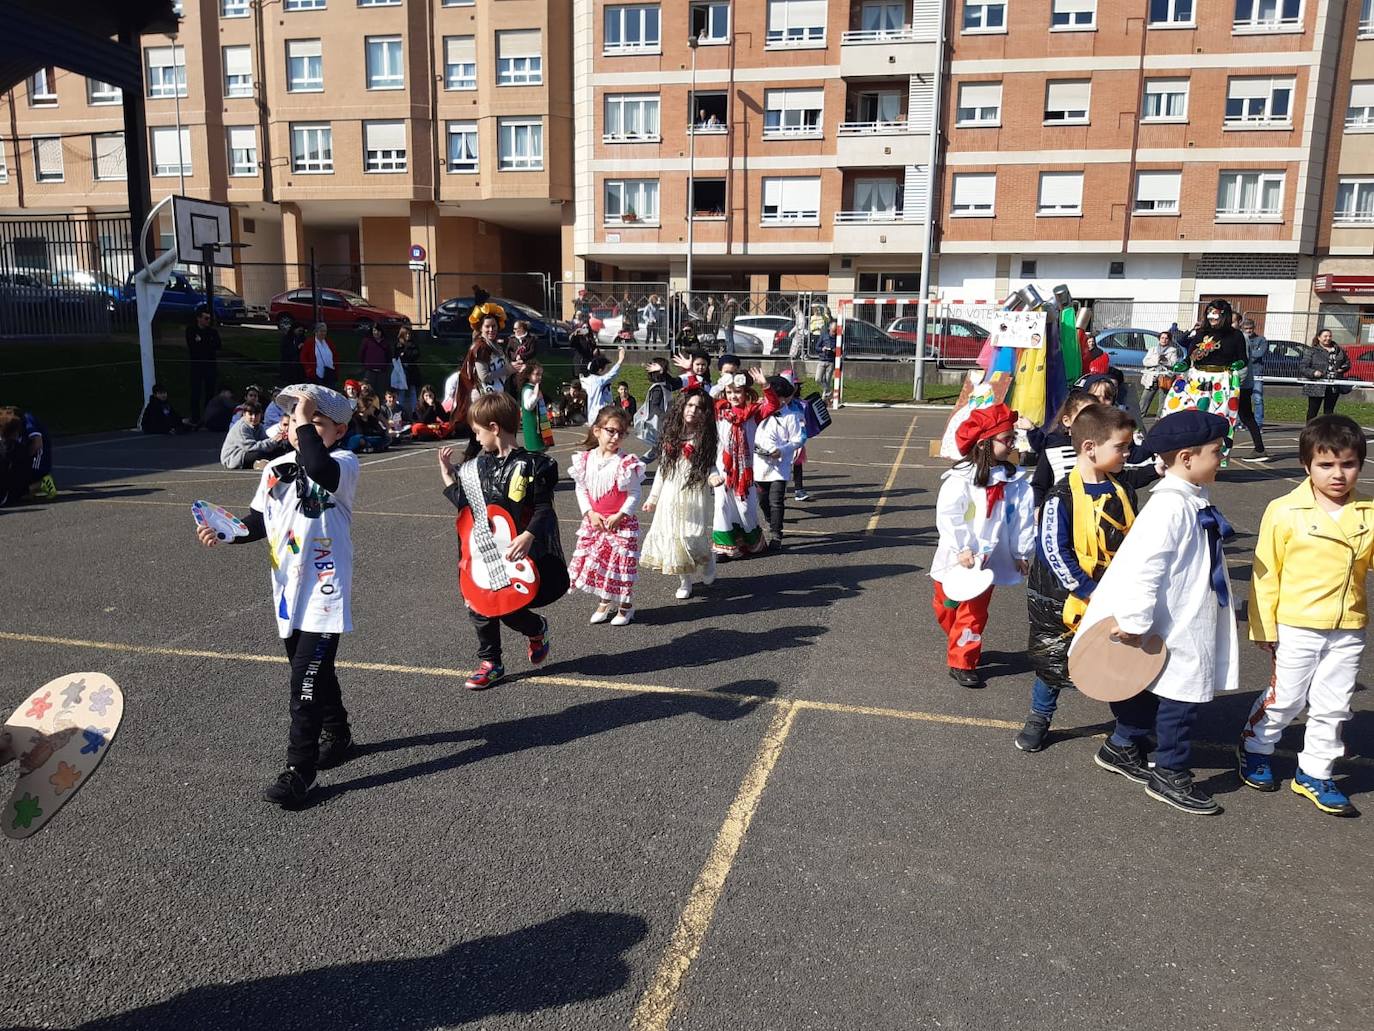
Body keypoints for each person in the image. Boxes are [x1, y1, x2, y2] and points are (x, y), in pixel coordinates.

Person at [194, 385, 360, 808]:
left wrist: (304, 421)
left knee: (302, 682)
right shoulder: (277, 467)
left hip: (324, 589)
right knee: (314, 672)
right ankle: (337, 733)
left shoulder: (342, 462)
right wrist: (225, 530)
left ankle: (299, 771)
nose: (295, 426)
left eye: (311, 422)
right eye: (289, 419)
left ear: (338, 431)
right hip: (288, 590)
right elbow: (259, 521)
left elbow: (319, 469)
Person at [1071, 410, 1238, 816]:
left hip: (1179, 610)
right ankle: (1170, 773)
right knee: (1182, 696)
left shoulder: (1189, 497)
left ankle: (1121, 746)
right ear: (1186, 458)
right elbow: (1145, 568)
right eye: (1216, 452)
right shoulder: (1170, 509)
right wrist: (1135, 622)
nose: (1221, 459)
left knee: (1149, 684)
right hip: (1172, 620)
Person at [1238, 415, 1371, 816]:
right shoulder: (1284, 510)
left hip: (1348, 625)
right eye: (1326, 465)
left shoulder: (1366, 512)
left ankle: (1315, 771)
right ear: (1306, 465)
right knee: (1287, 697)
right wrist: (1263, 625)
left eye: (1347, 464)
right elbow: (1265, 574)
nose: (1337, 474)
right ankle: (1255, 746)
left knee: (1334, 703)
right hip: (1296, 623)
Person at [1017, 404, 1140, 752]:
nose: (1128, 453)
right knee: (1052, 659)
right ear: (1090, 448)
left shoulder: (1123, 492)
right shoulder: (1062, 496)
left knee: (1119, 659)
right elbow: (1054, 551)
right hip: (1061, 599)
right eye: (1121, 447)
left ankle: (1128, 729)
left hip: (1110, 593)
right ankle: (1039, 718)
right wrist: (1087, 589)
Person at [439, 392, 564, 690]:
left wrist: (528, 534)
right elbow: (465, 506)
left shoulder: (536, 465)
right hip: (483, 551)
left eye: (479, 432)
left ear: (494, 427)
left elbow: (544, 508)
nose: (477, 439)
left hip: (518, 553)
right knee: (479, 605)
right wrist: (447, 477)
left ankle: (536, 628)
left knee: (508, 609)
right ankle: (491, 662)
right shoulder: (475, 468)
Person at [932, 404, 1036, 689]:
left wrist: (1021, 553)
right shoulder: (961, 479)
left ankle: (963, 660)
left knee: (973, 613)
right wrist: (961, 547)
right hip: (955, 558)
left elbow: (1022, 520)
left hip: (987, 560)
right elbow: (950, 514)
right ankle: (961, 638)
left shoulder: (1016, 483)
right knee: (946, 606)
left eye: (1013, 438)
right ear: (985, 443)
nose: (1013, 444)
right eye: (1007, 439)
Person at [568, 406, 646, 626]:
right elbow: (581, 489)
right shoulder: (585, 460)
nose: (615, 437)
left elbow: (634, 492)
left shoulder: (625, 463)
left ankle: (625, 605)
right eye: (611, 431)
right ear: (597, 431)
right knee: (599, 563)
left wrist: (621, 515)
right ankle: (605, 600)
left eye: (621, 433)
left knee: (620, 566)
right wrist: (589, 512)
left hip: (620, 524)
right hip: (596, 522)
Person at [641, 389, 722, 599]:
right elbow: (663, 469)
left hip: (694, 491)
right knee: (674, 538)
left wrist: (713, 476)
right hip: (671, 492)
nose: (693, 410)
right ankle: (685, 581)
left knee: (692, 536)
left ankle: (708, 560)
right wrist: (652, 498)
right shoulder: (671, 433)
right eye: (689, 405)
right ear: (682, 407)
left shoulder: (706, 436)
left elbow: (710, 464)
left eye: (698, 407)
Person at [712, 367, 780, 559]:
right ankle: (723, 548)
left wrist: (764, 385)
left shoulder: (753, 413)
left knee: (745, 508)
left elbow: (773, 405)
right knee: (722, 506)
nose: (734, 396)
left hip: (745, 470)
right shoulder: (719, 411)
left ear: (745, 392)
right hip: (723, 467)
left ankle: (752, 543)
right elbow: (702, 398)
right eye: (730, 392)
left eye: (738, 392)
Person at [754, 375, 806, 550]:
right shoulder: (759, 412)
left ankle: (776, 533)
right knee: (762, 499)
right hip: (759, 464)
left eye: (784, 398)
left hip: (779, 466)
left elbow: (798, 439)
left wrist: (782, 450)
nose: (781, 401)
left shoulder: (790, 417)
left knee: (776, 500)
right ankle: (770, 520)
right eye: (778, 398)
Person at [449, 310, 512, 424]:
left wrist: (513, 368)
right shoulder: (481, 347)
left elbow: (502, 370)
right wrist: (507, 370)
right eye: (487, 326)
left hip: (494, 394)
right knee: (483, 434)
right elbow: (484, 376)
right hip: (482, 396)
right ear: (481, 328)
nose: (491, 330)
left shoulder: (495, 345)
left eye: (494, 326)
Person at [0, 406, 56, 505]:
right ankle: (29, 486)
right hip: (24, 454)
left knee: (23, 481)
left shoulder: (28, 420)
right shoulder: (12, 435)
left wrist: (25, 462)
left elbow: (38, 444)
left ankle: (41, 482)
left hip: (38, 461)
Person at [1301, 328, 1352, 422]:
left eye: (1330, 336)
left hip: (1333, 385)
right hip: (1316, 385)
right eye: (1325, 336)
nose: (1328, 338)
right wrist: (1314, 373)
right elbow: (1303, 367)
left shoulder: (1339, 350)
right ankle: (1310, 431)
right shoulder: (1312, 351)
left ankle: (1328, 433)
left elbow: (1347, 363)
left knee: (1329, 412)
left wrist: (1342, 368)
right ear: (1319, 338)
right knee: (1313, 411)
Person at [220, 402, 289, 470]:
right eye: (250, 414)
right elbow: (250, 447)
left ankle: (261, 463)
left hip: (249, 452)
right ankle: (266, 463)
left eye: (256, 414)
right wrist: (273, 441)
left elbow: (264, 441)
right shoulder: (241, 427)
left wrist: (277, 441)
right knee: (259, 454)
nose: (254, 417)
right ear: (244, 414)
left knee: (278, 449)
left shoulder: (259, 426)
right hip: (234, 457)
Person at [185, 307, 221, 425]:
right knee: (195, 391)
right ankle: (195, 417)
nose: (208, 321)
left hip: (210, 365)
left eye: (209, 318)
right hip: (197, 366)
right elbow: (193, 347)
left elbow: (217, 345)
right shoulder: (191, 330)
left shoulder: (212, 332)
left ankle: (208, 417)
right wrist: (206, 343)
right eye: (205, 318)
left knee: (210, 392)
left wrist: (202, 341)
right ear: (199, 318)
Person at [1138, 330, 1183, 421]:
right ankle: (1140, 414)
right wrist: (1156, 361)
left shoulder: (1173, 351)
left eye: (1166, 338)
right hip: (1153, 376)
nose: (1164, 340)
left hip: (1165, 377)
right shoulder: (1152, 349)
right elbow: (1145, 361)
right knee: (1145, 397)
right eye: (1162, 338)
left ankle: (1159, 417)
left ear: (1169, 340)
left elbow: (1173, 363)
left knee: (1163, 398)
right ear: (1159, 339)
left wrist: (1165, 361)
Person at [580, 349, 626, 424]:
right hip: (601, 415)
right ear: (600, 370)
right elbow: (612, 374)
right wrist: (620, 360)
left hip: (592, 416)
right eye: (606, 368)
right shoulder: (600, 381)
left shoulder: (587, 380)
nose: (608, 369)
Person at [517, 361, 554, 453]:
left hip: (540, 424)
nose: (540, 377)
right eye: (537, 374)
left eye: (541, 374)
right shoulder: (528, 389)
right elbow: (528, 406)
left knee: (544, 445)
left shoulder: (534, 388)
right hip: (534, 426)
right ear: (528, 375)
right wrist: (536, 396)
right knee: (536, 449)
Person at [343, 389, 390, 453]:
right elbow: (359, 433)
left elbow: (379, 430)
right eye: (371, 407)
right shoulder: (355, 418)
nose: (373, 408)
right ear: (365, 408)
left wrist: (385, 432)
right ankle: (368, 447)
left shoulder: (371, 417)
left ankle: (370, 447)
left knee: (385, 438)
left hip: (370, 437)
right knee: (359, 439)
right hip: (359, 437)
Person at [1242, 317, 1268, 427]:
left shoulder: (1261, 340)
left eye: (1250, 328)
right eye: (1246, 328)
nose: (1248, 331)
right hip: (1243, 372)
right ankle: (1241, 422)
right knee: (1242, 399)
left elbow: (1260, 353)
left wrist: (1247, 354)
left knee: (1258, 399)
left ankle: (1258, 423)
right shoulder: (1240, 339)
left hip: (1257, 373)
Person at [392, 326, 421, 417]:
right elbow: (396, 356)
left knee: (413, 391)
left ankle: (414, 411)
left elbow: (416, 354)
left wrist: (405, 354)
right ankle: (399, 412)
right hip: (401, 372)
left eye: (409, 334)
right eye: (406, 334)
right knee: (401, 392)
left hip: (412, 371)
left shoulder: (413, 344)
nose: (408, 336)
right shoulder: (398, 345)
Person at [300, 322, 337, 388]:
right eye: (321, 331)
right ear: (316, 332)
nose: (323, 333)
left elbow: (335, 355)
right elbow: (303, 357)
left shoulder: (329, 342)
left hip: (329, 372)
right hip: (315, 374)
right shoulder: (309, 342)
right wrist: (308, 369)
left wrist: (335, 367)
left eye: (325, 331)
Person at [359, 324, 391, 399]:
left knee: (380, 393)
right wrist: (365, 365)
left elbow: (389, 356)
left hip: (382, 372)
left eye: (378, 331)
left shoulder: (385, 342)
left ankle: (380, 409)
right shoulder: (367, 341)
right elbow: (361, 354)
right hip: (369, 372)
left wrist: (385, 367)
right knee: (368, 392)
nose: (376, 333)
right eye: (374, 330)